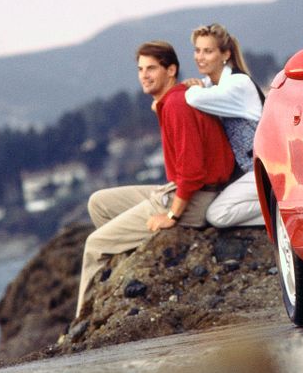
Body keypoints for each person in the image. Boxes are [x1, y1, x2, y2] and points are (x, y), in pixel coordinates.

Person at [74, 41, 234, 319]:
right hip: (182, 189)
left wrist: (172, 215)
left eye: (151, 69)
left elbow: (192, 171)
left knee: (95, 246)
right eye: (140, 70)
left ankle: (84, 319)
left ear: (171, 69)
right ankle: (125, 270)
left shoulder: (177, 104)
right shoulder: (173, 98)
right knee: (99, 204)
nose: (144, 75)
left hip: (196, 197)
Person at [181, 23, 267, 227]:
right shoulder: (211, 85)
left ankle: (278, 210)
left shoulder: (238, 84)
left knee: (218, 214)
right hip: (246, 173)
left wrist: (193, 89)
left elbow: (194, 99)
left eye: (208, 51)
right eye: (197, 50)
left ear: (225, 54)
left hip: (264, 169)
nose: (200, 57)